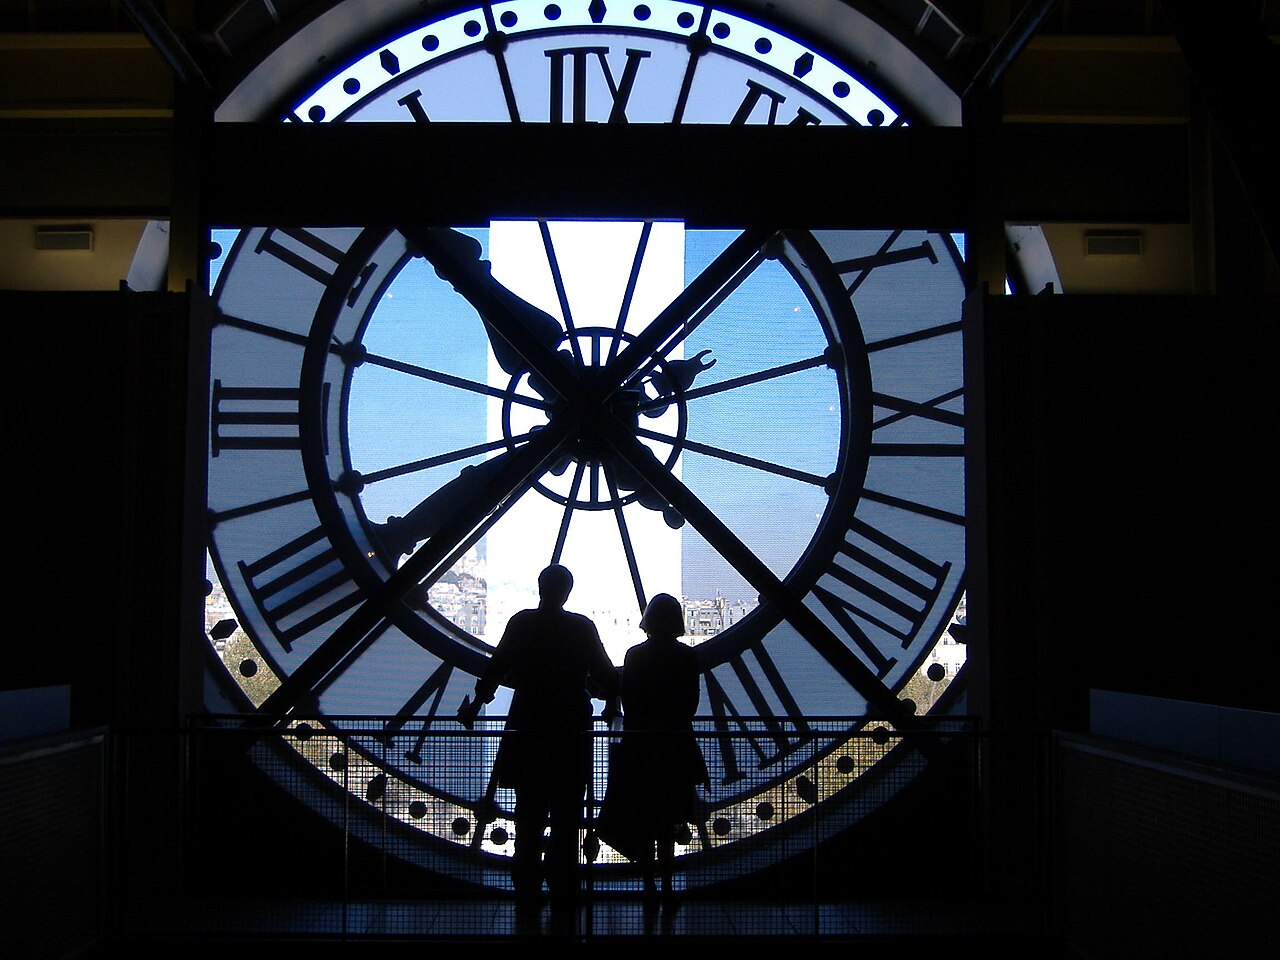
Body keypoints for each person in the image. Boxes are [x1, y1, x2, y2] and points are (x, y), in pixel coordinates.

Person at [458, 564, 616, 905]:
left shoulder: (522, 624)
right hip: (570, 731)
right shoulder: (581, 628)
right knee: (566, 818)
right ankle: (563, 889)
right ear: (567, 591)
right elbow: (606, 675)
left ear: (540, 587)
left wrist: (476, 703)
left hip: (528, 727)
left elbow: (496, 668)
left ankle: (526, 889)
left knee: (528, 818)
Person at [616, 593, 708, 901]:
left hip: (642, 748)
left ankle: (650, 886)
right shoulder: (686, 657)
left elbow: (629, 702)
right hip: (674, 748)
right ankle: (666, 886)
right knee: (668, 822)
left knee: (644, 820)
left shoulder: (634, 656)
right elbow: (689, 707)